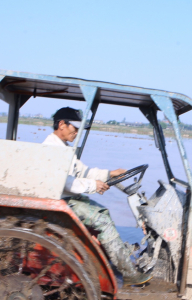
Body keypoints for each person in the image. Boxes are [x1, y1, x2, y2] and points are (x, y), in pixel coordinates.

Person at [43, 107, 152, 285]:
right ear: (62, 124)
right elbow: (65, 182)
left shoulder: (62, 148)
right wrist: (94, 185)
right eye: (74, 127)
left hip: (66, 198)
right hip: (60, 201)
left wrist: (110, 174)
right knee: (102, 219)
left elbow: (83, 171)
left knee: (103, 212)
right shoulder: (52, 149)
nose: (76, 132)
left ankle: (112, 259)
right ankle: (128, 273)